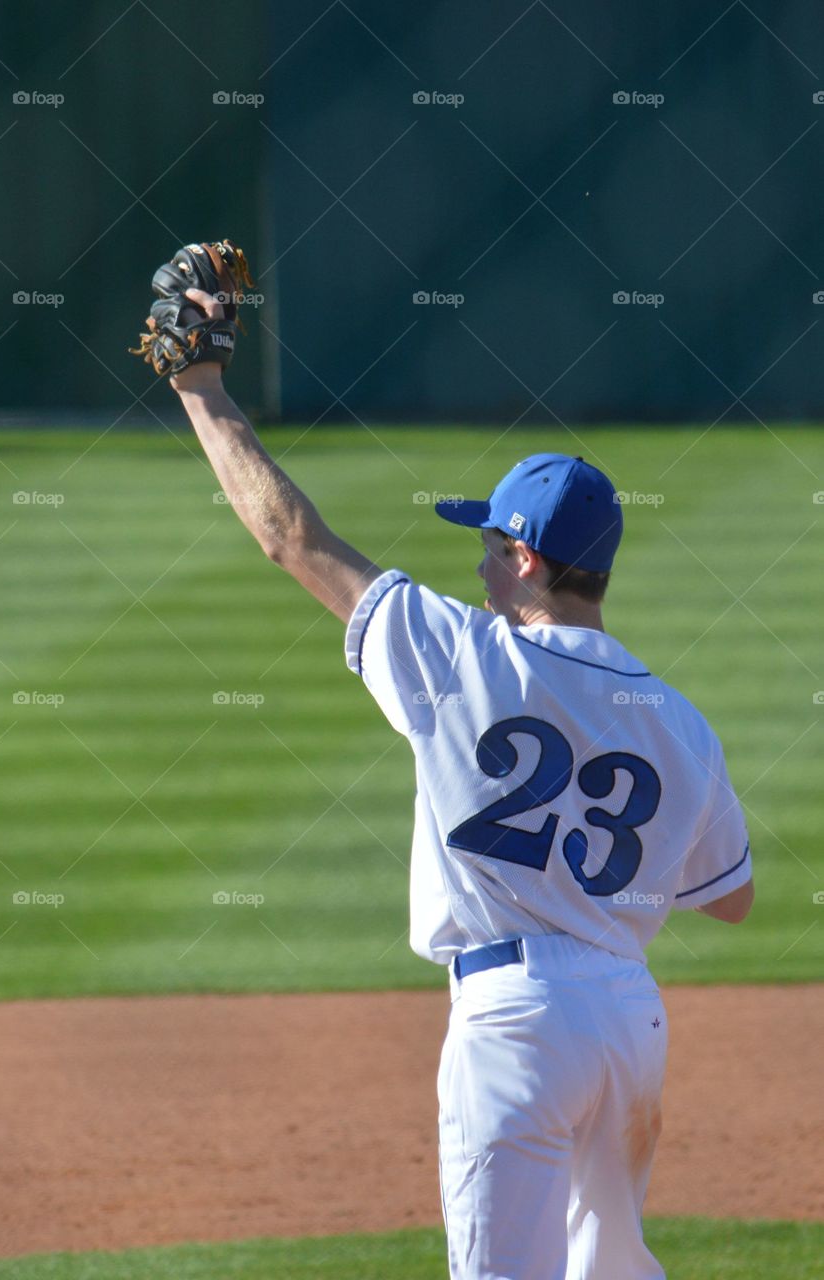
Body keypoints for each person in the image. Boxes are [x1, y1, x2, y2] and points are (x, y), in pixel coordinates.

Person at [172, 287, 754, 1280]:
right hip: (628, 1023)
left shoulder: (457, 651)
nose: (478, 562)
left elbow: (289, 536)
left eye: (489, 544)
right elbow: (731, 898)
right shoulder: (680, 722)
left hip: (515, 1028)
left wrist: (200, 385)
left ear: (526, 558)